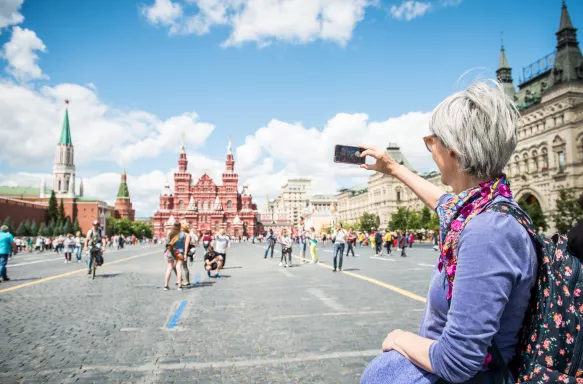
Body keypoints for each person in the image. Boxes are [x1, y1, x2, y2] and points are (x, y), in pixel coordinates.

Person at [359, 80, 537, 383]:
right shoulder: (487, 206)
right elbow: (442, 202)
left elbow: (458, 361)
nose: (430, 149)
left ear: (454, 149)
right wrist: (393, 168)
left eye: (433, 141)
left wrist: (400, 339)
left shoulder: (488, 230)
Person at [164, 222, 189, 291]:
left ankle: (166, 286)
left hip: (170, 251)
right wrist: (185, 254)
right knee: (178, 267)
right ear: (180, 227)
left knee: (169, 268)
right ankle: (179, 286)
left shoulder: (170, 233)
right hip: (179, 252)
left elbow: (167, 243)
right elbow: (185, 245)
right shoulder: (184, 234)